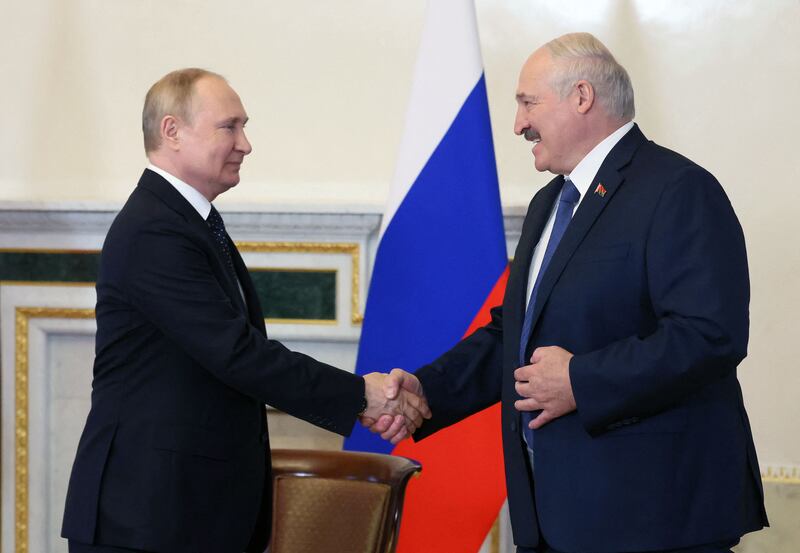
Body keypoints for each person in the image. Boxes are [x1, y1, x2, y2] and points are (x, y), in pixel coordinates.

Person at [366, 33, 768, 553]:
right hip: (557, 516)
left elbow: (709, 336)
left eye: (527, 103)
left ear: (581, 97)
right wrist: (428, 391)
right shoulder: (549, 203)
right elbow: (515, 334)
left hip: (654, 519)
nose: (518, 124)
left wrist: (581, 379)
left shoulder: (678, 190)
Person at [61, 68, 429, 553]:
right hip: (149, 517)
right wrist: (361, 394)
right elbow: (238, 354)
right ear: (172, 131)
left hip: (183, 512)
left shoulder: (188, 221)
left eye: (244, 126)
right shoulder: (155, 230)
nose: (245, 144)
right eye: (229, 127)